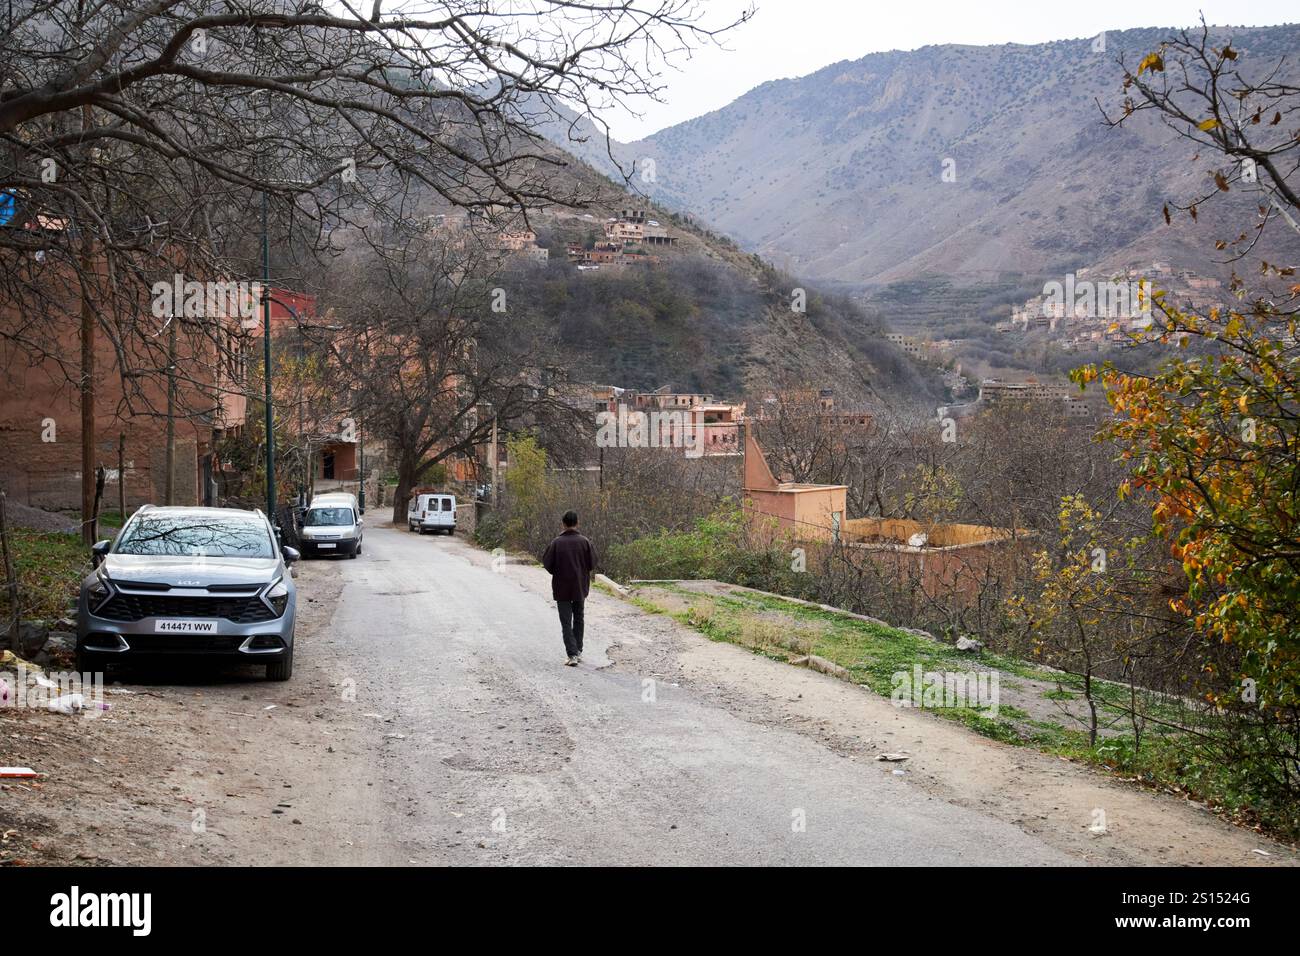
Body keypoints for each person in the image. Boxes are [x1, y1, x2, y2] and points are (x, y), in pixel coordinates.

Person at [541, 510, 597, 666]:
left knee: (566, 622)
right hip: (580, 586)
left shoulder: (556, 543)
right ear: (577, 523)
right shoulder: (585, 542)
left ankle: (572, 655)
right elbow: (592, 564)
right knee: (579, 618)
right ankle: (578, 651)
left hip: (562, 587)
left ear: (563, 524)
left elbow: (547, 564)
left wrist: (560, 572)